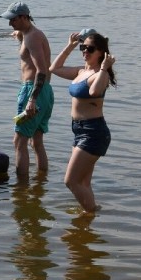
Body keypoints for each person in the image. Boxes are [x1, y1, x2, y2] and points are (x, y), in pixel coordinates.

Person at [50, 30, 116, 213]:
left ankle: (91, 213)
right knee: (84, 182)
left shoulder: (99, 75)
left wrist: (104, 68)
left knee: (70, 181)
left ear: (101, 53)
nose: (85, 52)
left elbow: (94, 92)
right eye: (83, 48)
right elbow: (53, 69)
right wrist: (69, 46)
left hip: (94, 132)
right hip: (79, 130)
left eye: (90, 49)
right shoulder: (81, 71)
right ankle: (89, 222)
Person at [1, 1, 53, 176]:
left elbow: (41, 70)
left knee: (19, 142)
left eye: (13, 20)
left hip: (33, 90)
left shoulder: (32, 37)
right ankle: (41, 183)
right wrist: (19, 35)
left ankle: (20, 190)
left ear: (24, 17)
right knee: (36, 142)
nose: (10, 23)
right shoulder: (30, 34)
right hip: (46, 92)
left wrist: (32, 99)